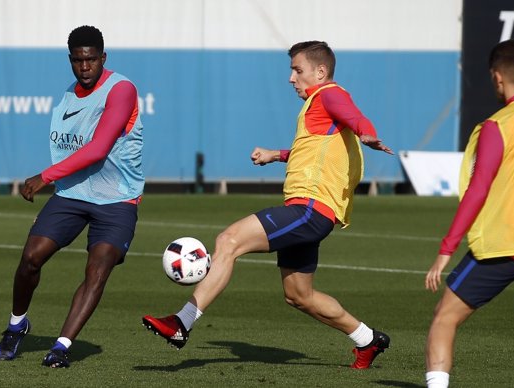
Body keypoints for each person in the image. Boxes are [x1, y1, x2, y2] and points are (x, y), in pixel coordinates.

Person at [142, 41, 393, 369]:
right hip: (314, 213)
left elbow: (356, 117)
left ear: (320, 72)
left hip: (309, 210)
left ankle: (182, 323)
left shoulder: (328, 93)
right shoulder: (318, 106)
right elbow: (315, 148)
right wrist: (277, 155)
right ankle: (367, 339)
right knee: (299, 296)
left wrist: (367, 134)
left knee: (229, 241)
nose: (291, 78)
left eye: (297, 70)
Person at [0, 25, 144, 368]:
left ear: (103, 58)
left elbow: (100, 147)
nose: (85, 66)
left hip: (118, 199)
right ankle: (17, 325)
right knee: (31, 257)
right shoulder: (67, 96)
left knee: (98, 267)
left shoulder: (121, 90)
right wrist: (56, 181)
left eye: (91, 59)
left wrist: (43, 176)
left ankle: (61, 346)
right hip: (73, 193)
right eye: (78, 60)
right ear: (70, 60)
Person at [424, 39, 514, 388]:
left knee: (444, 317)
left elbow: (478, 188)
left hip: (505, 242)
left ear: (497, 77)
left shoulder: (499, 125)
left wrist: (445, 249)